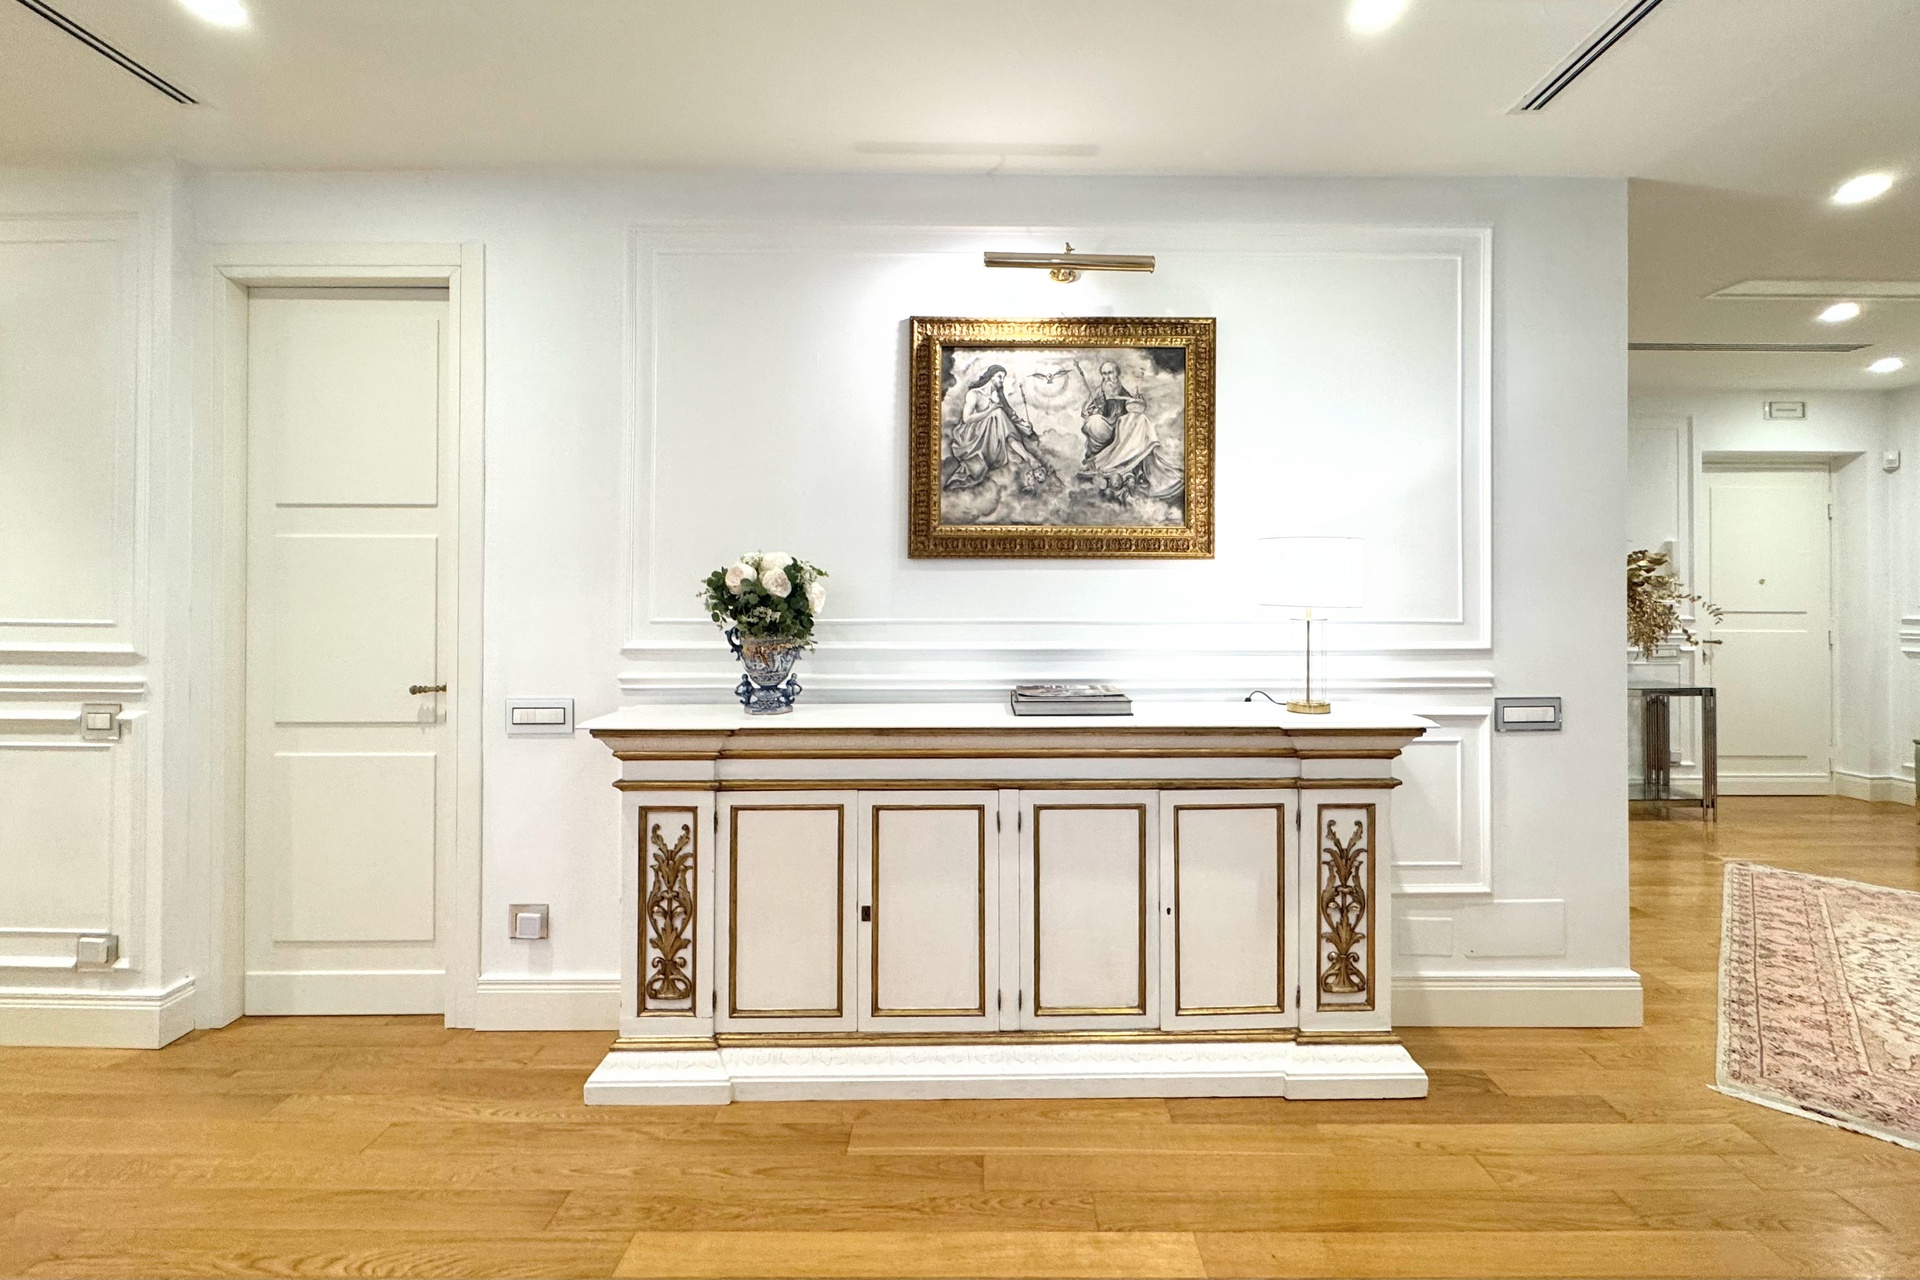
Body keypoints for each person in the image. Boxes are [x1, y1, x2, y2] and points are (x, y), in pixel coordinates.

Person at [1078, 360, 1184, 501]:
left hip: (1121, 428)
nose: (1107, 377)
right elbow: (1088, 410)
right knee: (1094, 421)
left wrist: (1136, 402)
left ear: (1117, 374)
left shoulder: (1122, 391)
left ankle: (1128, 462)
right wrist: (1091, 410)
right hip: (1105, 427)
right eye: (1104, 374)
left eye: (1110, 373)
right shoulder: (1099, 391)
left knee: (1140, 420)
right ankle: (1100, 459)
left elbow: (1131, 409)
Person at [944, 365, 1047, 490]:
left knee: (1000, 415)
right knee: (997, 413)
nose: (1001, 381)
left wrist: (1023, 425)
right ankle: (1028, 457)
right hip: (973, 435)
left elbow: (1009, 413)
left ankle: (1029, 458)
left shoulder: (998, 395)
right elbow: (967, 419)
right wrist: (990, 410)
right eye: (999, 377)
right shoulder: (974, 394)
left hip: (995, 431)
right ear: (991, 377)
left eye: (1003, 378)